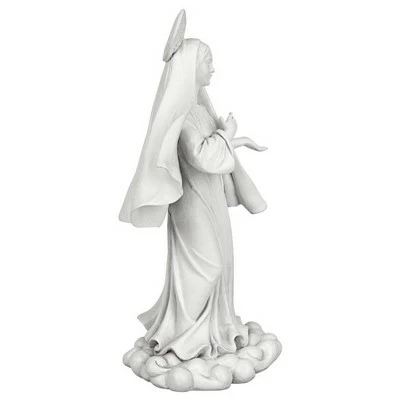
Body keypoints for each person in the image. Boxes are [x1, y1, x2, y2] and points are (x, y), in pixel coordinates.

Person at [119, 15, 267, 361]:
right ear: (190, 68)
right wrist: (228, 134)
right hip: (191, 202)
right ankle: (185, 337)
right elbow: (202, 155)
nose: (213, 68)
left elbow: (213, 148)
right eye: (207, 61)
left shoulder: (199, 109)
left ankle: (213, 331)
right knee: (207, 264)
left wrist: (238, 141)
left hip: (209, 196)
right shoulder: (183, 114)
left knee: (223, 261)